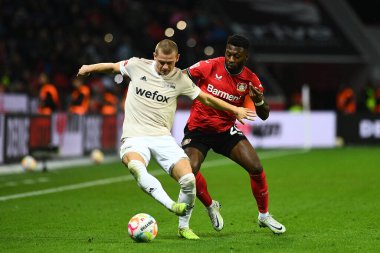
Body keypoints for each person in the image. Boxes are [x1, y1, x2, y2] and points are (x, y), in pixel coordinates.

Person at [77, 39, 255, 240]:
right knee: (137, 167)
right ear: (154, 56)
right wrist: (88, 68)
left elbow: (205, 98)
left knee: (188, 179)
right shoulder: (137, 65)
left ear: (177, 59)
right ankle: (171, 205)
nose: (164, 66)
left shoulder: (180, 79)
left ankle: (183, 227)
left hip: (162, 137)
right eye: (161, 61)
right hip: (135, 136)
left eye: (169, 62)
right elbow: (111, 67)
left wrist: (235, 109)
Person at [180, 34, 286, 234]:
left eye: (236, 56)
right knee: (190, 170)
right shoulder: (210, 65)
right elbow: (181, 76)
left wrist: (260, 101)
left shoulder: (250, 79)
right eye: (228, 53)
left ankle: (264, 216)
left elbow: (264, 115)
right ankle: (211, 206)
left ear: (245, 57)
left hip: (225, 131)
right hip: (198, 130)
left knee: (256, 166)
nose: (230, 58)